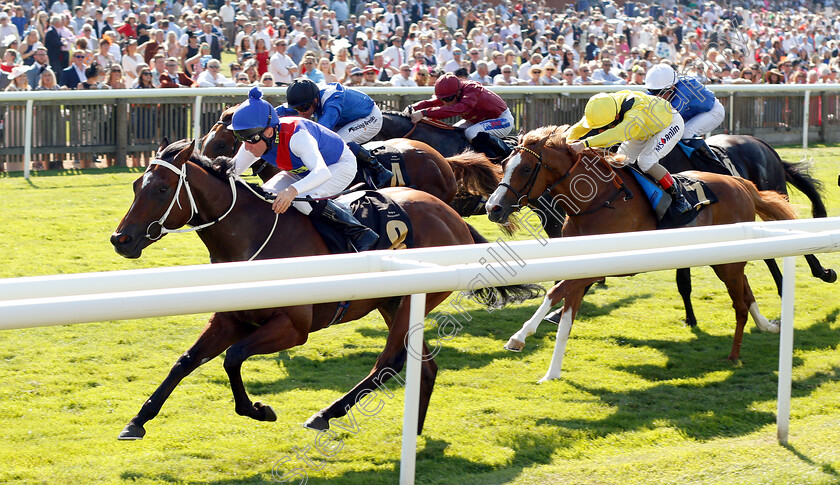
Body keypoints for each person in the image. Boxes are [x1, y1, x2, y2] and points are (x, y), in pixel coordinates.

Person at [228, 87, 379, 252]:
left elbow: (321, 172)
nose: (246, 147)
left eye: (249, 139)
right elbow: (231, 171)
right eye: (240, 138)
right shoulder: (258, 139)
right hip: (302, 170)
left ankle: (360, 232)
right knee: (266, 196)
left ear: (269, 132)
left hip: (338, 165)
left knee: (303, 199)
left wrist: (292, 191)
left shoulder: (297, 136)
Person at [566, 91, 691, 214]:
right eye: (599, 128)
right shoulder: (603, 107)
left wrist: (584, 144)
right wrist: (563, 140)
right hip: (645, 126)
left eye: (605, 127)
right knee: (618, 161)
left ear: (616, 117)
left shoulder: (635, 111)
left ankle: (679, 198)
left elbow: (618, 133)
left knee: (645, 161)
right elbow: (579, 127)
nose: (600, 131)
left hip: (669, 124)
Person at [284, 77, 393, 188]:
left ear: (315, 100)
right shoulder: (309, 97)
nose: (299, 112)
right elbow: (280, 111)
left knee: (339, 142)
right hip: (347, 120)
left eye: (302, 107)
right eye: (296, 108)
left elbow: (321, 129)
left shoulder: (332, 100)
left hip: (369, 116)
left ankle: (380, 170)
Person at [409, 73, 513, 159]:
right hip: (478, 121)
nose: (445, 103)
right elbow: (431, 102)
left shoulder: (472, 89)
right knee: (453, 133)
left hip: (502, 120)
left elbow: (460, 108)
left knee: (471, 132)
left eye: (448, 99)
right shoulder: (452, 92)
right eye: (442, 100)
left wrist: (424, 113)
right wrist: (413, 107)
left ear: (458, 92)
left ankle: (505, 155)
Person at [645, 63, 725, 165]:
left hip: (711, 111)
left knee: (685, 132)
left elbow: (671, 115)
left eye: (661, 92)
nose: (657, 96)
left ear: (673, 86)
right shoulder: (659, 87)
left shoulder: (685, 88)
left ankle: (713, 163)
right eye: (653, 91)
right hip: (689, 113)